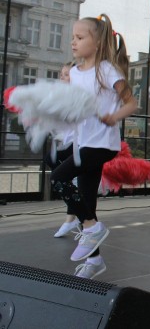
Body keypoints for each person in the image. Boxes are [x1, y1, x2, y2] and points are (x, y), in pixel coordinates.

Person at [50, 14, 137, 279]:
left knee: (59, 178)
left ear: (97, 42)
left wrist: (113, 116)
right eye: (72, 38)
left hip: (102, 144)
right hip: (83, 143)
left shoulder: (107, 70)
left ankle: (92, 227)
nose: (73, 43)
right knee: (84, 200)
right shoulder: (75, 73)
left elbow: (131, 103)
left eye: (80, 37)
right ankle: (95, 260)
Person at [46, 62, 80, 238]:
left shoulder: (79, 95)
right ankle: (73, 218)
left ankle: (77, 218)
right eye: (61, 74)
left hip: (82, 143)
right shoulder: (63, 95)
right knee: (71, 182)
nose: (62, 78)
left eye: (66, 75)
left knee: (56, 166)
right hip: (69, 143)